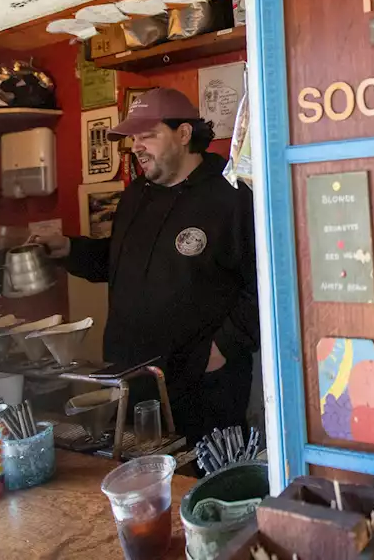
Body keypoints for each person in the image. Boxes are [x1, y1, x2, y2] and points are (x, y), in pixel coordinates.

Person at [35, 87, 258, 444]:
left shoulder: (232, 194)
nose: (136, 146)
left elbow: (266, 281)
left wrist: (224, 348)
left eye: (148, 135)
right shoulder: (136, 194)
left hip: (203, 381)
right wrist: (68, 249)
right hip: (131, 377)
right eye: (133, 138)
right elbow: (121, 261)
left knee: (205, 482)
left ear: (184, 134)